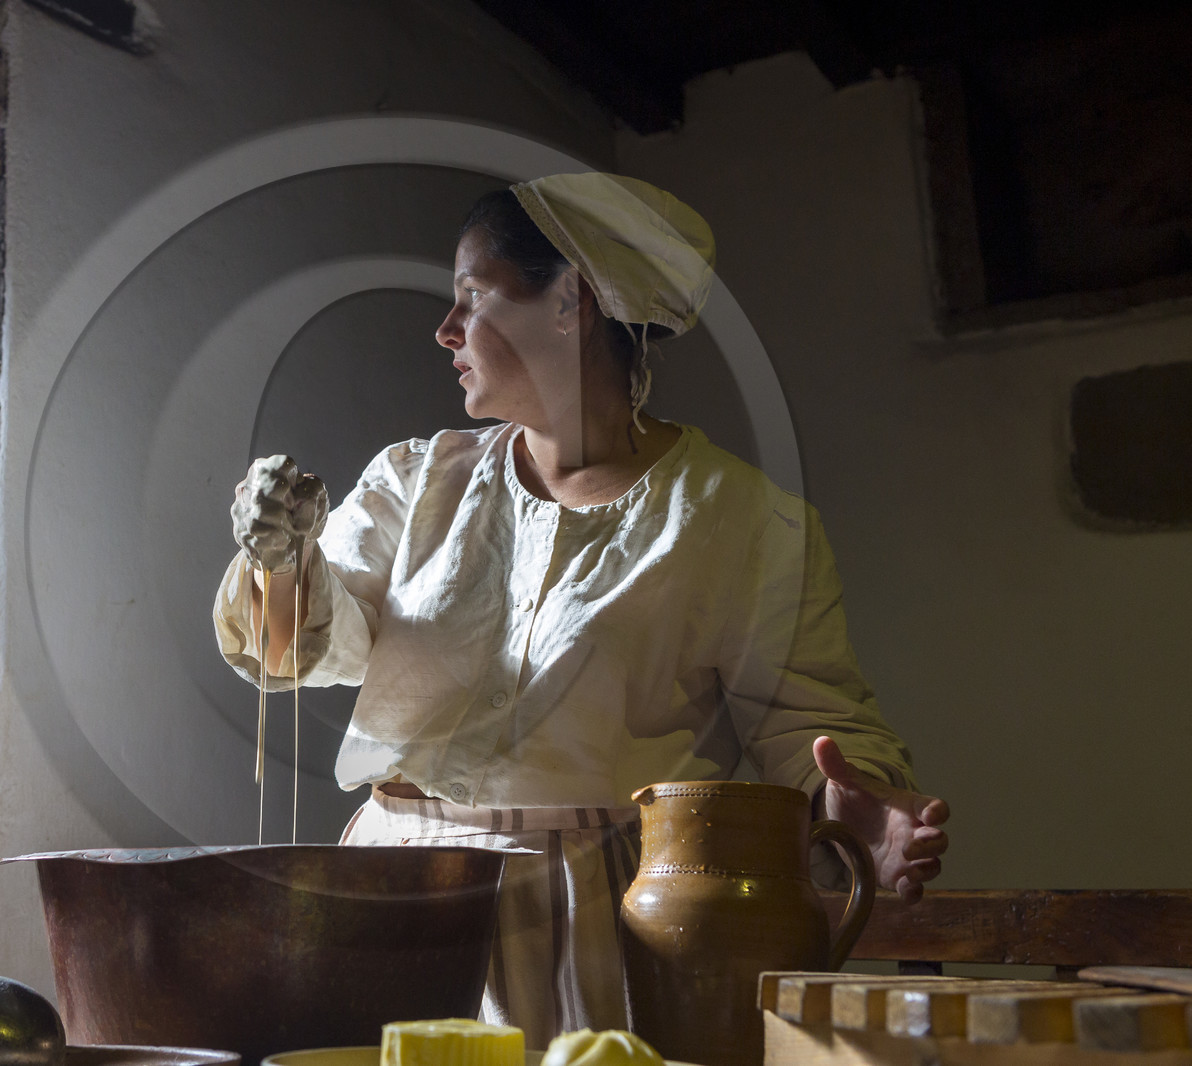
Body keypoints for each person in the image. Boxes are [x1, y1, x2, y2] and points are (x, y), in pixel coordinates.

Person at [214, 173, 949, 1047]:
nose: (445, 330)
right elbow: (299, 648)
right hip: (390, 894)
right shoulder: (417, 483)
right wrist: (281, 560)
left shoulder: (742, 519)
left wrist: (852, 805)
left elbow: (813, 725)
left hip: (591, 919)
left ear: (573, 301)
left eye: (473, 297)